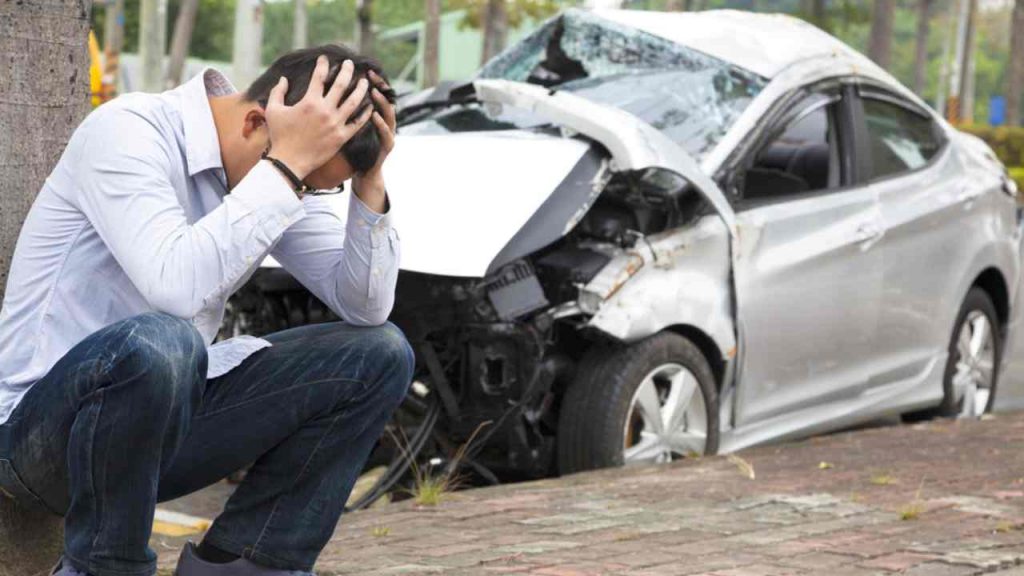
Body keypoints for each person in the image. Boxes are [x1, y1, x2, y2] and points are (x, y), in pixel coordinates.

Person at [0, 44, 412, 576]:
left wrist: (368, 181)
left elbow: (367, 306)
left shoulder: (279, 170)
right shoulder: (129, 131)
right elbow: (174, 287)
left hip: (158, 435)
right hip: (42, 440)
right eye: (307, 183)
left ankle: (245, 565)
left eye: (313, 187)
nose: (302, 193)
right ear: (258, 121)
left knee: (379, 354)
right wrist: (287, 171)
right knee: (162, 343)